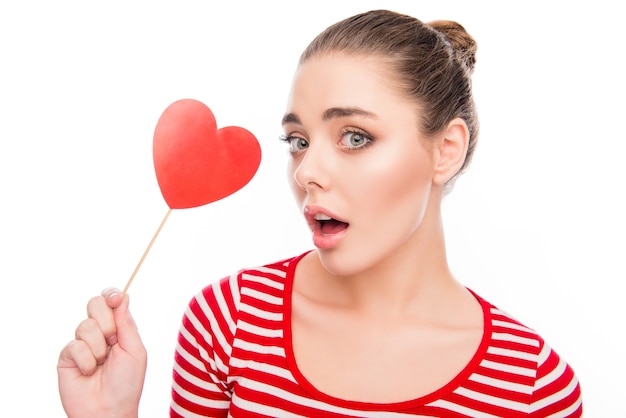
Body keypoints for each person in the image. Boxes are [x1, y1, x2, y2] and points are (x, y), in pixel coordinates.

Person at [58, 9, 583, 417]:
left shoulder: (533, 384)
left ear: (446, 150)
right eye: (298, 140)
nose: (306, 170)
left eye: (355, 137)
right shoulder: (230, 322)